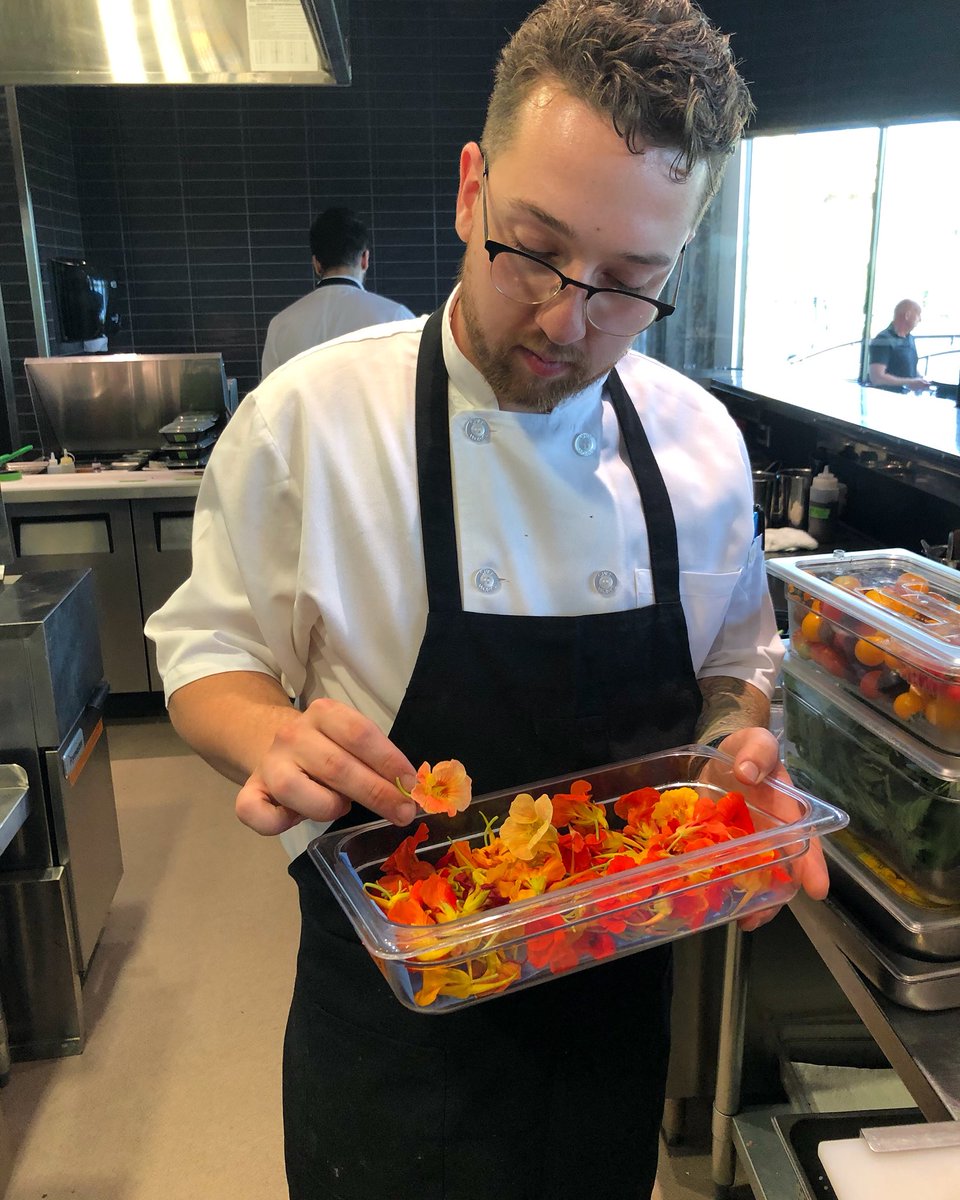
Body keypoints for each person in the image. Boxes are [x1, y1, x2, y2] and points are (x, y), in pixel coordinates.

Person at [146, 2, 829, 1197]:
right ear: (470, 191)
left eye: (628, 284)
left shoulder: (700, 443)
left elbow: (738, 666)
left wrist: (736, 765)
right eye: (534, 248)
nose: (567, 320)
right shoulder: (312, 419)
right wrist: (269, 732)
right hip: (393, 1031)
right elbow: (207, 650)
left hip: (616, 1005)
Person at [260, 206, 414, 378]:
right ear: (364, 259)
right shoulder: (397, 319)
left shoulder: (281, 325)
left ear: (316, 264)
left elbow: (269, 401)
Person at [866, 298, 929, 392]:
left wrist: (920, 379)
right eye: (918, 314)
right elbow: (877, 377)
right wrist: (910, 382)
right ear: (907, 315)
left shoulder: (910, 339)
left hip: (907, 397)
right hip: (886, 399)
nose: (920, 320)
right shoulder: (884, 339)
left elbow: (907, 368)